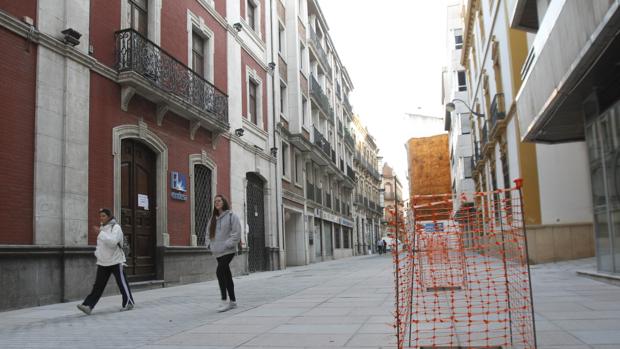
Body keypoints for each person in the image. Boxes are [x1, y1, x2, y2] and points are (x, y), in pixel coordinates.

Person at [77, 208, 134, 315]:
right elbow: (102, 246)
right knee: (98, 285)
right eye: (100, 216)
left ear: (109, 216)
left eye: (103, 216)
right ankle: (88, 306)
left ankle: (128, 302)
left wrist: (101, 233)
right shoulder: (103, 228)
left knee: (122, 283)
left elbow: (113, 242)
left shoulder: (115, 227)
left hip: (116, 260)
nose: (101, 218)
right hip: (103, 262)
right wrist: (99, 256)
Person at [205, 195, 242, 312]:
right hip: (217, 251)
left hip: (228, 250)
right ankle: (233, 301)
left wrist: (228, 244)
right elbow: (207, 234)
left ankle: (224, 300)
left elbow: (237, 232)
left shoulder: (231, 216)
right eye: (215, 201)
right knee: (226, 275)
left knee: (219, 271)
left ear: (224, 202)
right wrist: (209, 245)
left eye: (219, 200)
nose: (217, 203)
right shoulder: (212, 219)